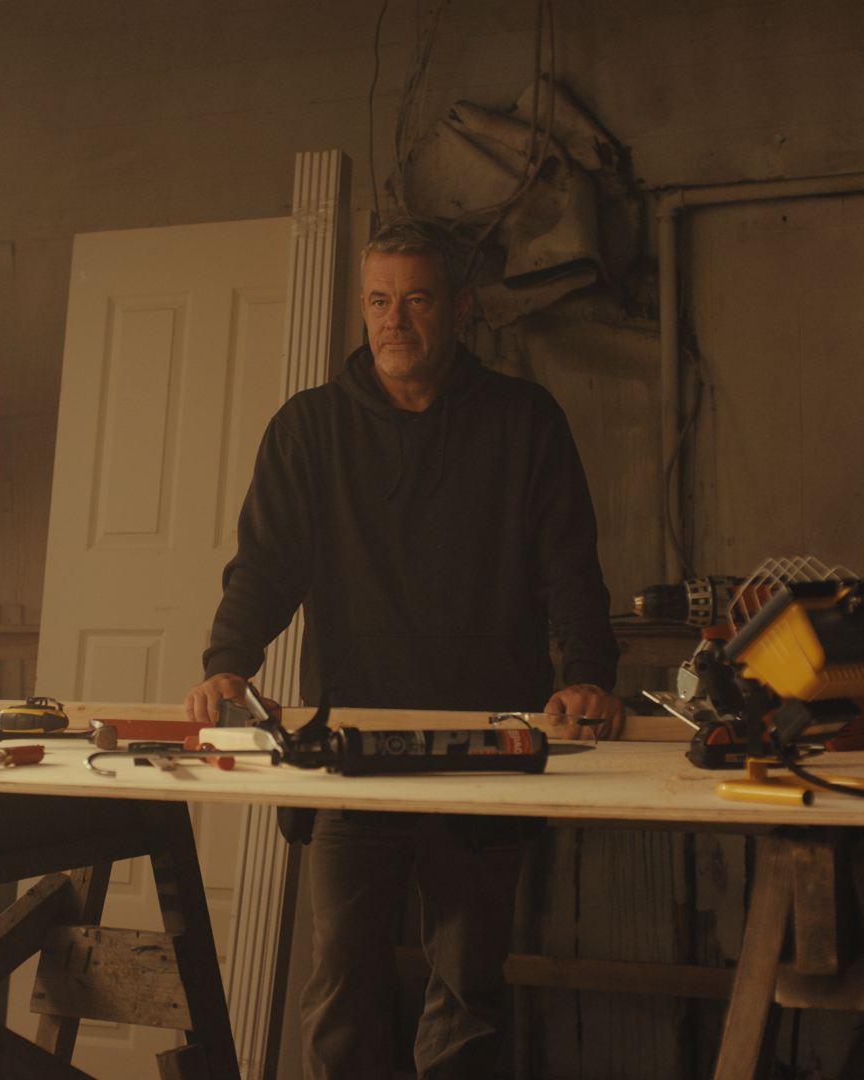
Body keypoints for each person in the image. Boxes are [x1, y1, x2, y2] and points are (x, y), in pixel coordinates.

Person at [184, 217, 622, 1079]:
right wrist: (227, 660)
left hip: (488, 749)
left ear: (460, 308)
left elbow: (569, 567)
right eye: (379, 300)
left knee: (468, 990)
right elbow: (266, 565)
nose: (394, 319)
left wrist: (586, 677)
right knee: (341, 986)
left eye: (416, 299)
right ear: (361, 307)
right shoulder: (309, 429)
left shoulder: (523, 421)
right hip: (348, 748)